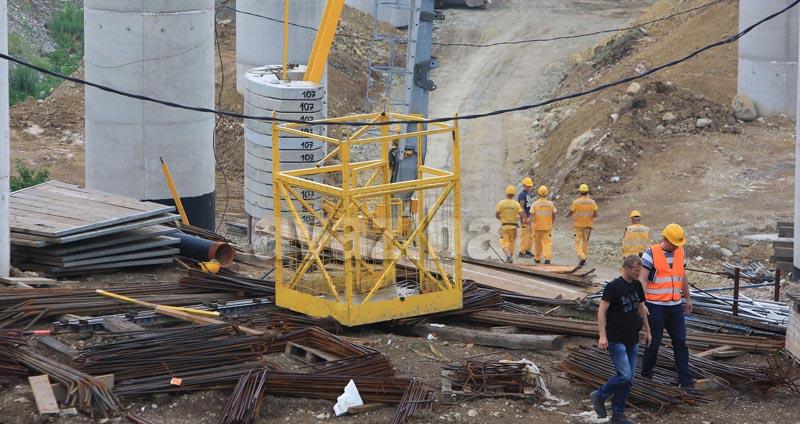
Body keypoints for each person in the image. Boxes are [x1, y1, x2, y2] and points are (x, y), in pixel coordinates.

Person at [591, 255, 651, 424]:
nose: (639, 273)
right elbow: (601, 311)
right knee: (624, 375)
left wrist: (648, 330)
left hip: (633, 338)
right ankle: (600, 395)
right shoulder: (613, 287)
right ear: (626, 268)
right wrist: (602, 336)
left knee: (629, 380)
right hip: (616, 338)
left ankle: (618, 415)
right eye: (636, 270)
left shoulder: (637, 285)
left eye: (640, 270)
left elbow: (641, 307)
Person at [639, 223, 694, 389]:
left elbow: (682, 276)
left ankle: (685, 382)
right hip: (654, 306)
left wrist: (688, 298)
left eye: (678, 244)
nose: (676, 246)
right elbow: (642, 280)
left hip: (675, 306)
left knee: (680, 342)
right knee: (653, 343)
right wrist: (641, 303)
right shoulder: (650, 254)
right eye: (674, 243)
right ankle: (646, 376)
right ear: (665, 239)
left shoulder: (679, 252)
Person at [567, 183, 598, 266]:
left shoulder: (576, 202)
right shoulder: (592, 202)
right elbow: (595, 214)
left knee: (577, 243)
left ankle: (582, 257)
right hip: (588, 226)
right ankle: (583, 258)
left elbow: (571, 211)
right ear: (587, 192)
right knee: (585, 242)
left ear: (580, 192)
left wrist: (568, 215)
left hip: (578, 226)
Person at [495, 185, 525, 263]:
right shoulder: (516, 204)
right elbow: (522, 215)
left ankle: (508, 256)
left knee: (504, 242)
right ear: (514, 194)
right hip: (514, 227)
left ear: (506, 193)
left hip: (504, 227)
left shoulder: (501, 203)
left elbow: (497, 215)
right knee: (512, 243)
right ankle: (510, 257)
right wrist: (521, 222)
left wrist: (502, 219)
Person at [530, 185, 556, 264]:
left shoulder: (535, 204)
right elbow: (554, 214)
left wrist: (531, 224)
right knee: (547, 243)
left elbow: (532, 215)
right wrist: (552, 221)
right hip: (547, 226)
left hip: (537, 227)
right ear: (546, 194)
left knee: (537, 243)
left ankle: (537, 258)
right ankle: (547, 258)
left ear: (539, 194)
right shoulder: (551, 204)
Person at [518, 177, 535, 258]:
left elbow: (531, 206)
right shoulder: (522, 194)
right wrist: (525, 218)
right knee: (525, 236)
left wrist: (531, 217)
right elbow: (521, 207)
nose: (529, 187)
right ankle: (522, 252)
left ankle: (528, 250)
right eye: (527, 186)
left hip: (530, 218)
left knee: (531, 236)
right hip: (526, 218)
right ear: (524, 185)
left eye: (530, 186)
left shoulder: (529, 194)